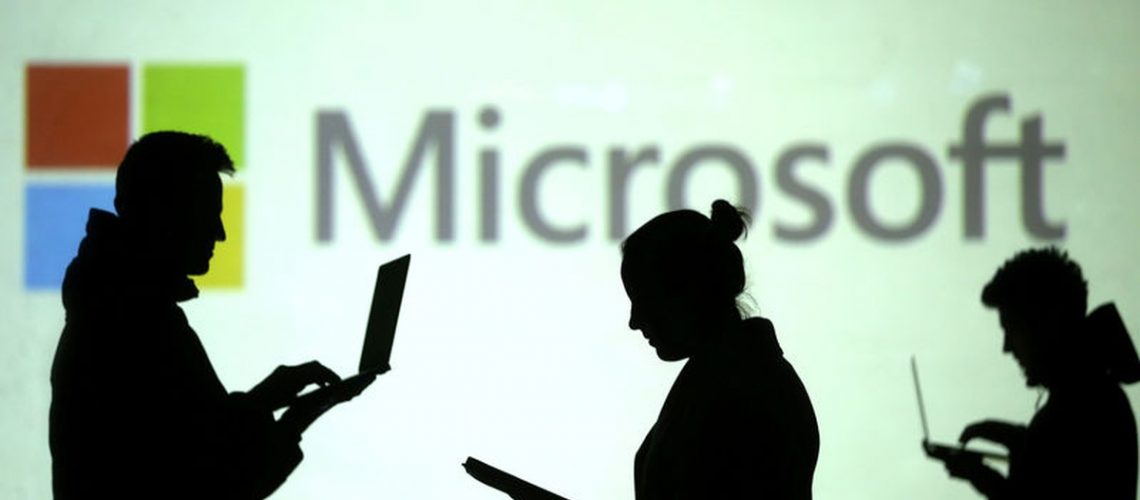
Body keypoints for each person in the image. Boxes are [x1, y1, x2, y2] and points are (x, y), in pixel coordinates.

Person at [49, 131, 373, 499]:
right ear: (164, 213)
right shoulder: (138, 325)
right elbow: (205, 476)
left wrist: (269, 405)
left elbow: (192, 442)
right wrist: (287, 418)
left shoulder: (116, 311)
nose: (219, 234)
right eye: (207, 215)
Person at [620, 200, 820, 499]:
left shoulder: (740, 387)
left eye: (644, 299)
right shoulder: (734, 376)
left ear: (688, 291)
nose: (634, 321)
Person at [934, 247, 1139, 499]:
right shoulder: (1098, 398)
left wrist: (985, 478)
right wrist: (1016, 439)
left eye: (1012, 330)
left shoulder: (1078, 408)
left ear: (1044, 323)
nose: (1007, 347)